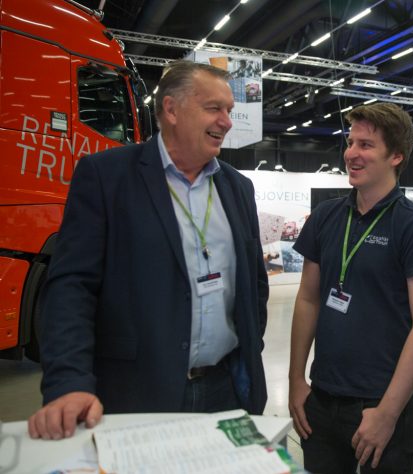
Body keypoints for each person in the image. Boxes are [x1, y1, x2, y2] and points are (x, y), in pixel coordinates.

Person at [28, 60, 270, 440]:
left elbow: (254, 283)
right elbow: (72, 288)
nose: (226, 122)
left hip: (227, 389)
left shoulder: (238, 188)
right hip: (137, 393)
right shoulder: (106, 176)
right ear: (171, 109)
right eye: (214, 108)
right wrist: (69, 381)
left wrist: (251, 349)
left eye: (229, 110)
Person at [288, 102, 413, 474]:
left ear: (396, 156)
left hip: (380, 404)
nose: (351, 154)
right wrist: (296, 380)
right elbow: (308, 299)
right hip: (322, 399)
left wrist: (388, 413)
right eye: (350, 143)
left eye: (366, 145)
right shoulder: (326, 217)